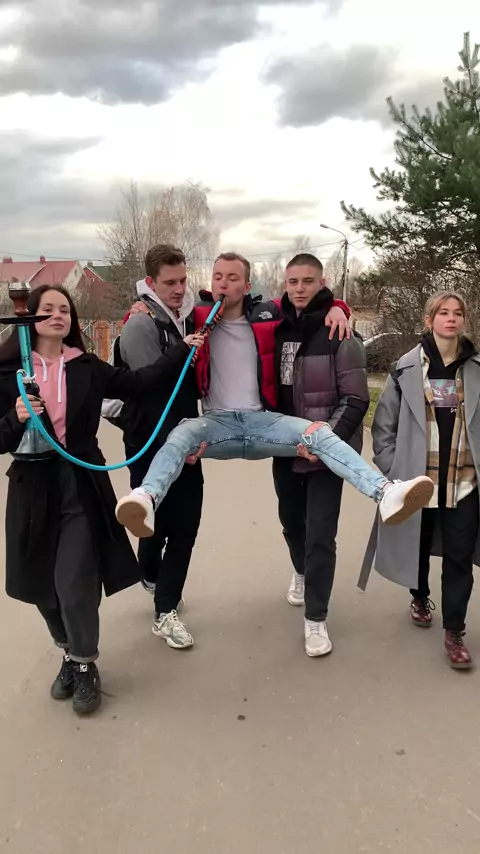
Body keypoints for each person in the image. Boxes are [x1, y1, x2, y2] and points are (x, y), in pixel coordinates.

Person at [115, 253, 434, 541]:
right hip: (216, 424)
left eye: (232, 277)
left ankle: (385, 493)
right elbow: (159, 306)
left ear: (246, 285)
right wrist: (139, 309)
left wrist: (339, 307)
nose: (223, 283)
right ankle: (146, 499)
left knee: (319, 433)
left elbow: (305, 299)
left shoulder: (267, 313)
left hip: (263, 422)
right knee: (179, 435)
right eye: (218, 277)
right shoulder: (196, 315)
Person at [0, 284, 204, 714]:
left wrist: (181, 350)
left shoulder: (86, 366)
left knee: (75, 581)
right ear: (29, 317)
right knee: (40, 587)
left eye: (64, 309)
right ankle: (69, 652)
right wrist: (15, 418)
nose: (58, 315)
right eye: (47, 309)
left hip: (80, 483)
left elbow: (139, 382)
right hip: (30, 487)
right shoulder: (9, 372)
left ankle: (84, 662)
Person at [359, 292, 480, 670]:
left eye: (457, 313)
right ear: (429, 320)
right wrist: (393, 470)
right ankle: (419, 596)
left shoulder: (476, 369)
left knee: (460, 556)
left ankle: (454, 631)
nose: (451, 318)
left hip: (463, 482)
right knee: (418, 545)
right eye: (443, 312)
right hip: (418, 481)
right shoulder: (405, 369)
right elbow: (384, 427)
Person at [106, 245, 204, 651]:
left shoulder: (184, 316)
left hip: (184, 438)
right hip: (150, 443)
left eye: (183, 280)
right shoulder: (140, 325)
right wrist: (178, 445)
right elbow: (152, 390)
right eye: (170, 283)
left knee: (185, 527)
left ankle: (164, 608)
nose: (179, 289)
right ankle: (151, 576)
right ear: (150, 282)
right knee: (157, 524)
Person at [272, 253, 369, 657]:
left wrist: (324, 443)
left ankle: (316, 619)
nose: (299, 289)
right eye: (293, 282)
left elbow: (357, 398)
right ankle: (300, 571)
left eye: (307, 281)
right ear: (285, 284)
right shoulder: (275, 326)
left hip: (326, 452)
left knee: (320, 535)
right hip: (283, 447)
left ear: (321, 282)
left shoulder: (339, 333)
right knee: (292, 524)